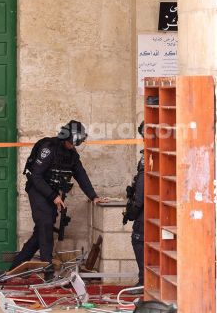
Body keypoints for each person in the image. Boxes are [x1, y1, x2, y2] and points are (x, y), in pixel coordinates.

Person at [10, 120, 103, 274]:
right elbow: (36, 177)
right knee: (45, 225)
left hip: (52, 195)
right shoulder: (48, 149)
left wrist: (94, 196)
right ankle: (48, 271)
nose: (77, 143)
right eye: (76, 140)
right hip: (38, 190)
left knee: (41, 231)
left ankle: (16, 267)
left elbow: (81, 175)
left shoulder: (72, 155)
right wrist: (54, 197)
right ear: (67, 136)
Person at [123, 121, 145, 288]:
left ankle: (144, 282)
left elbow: (142, 184)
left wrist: (133, 210)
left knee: (138, 239)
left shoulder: (149, 155)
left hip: (147, 210)